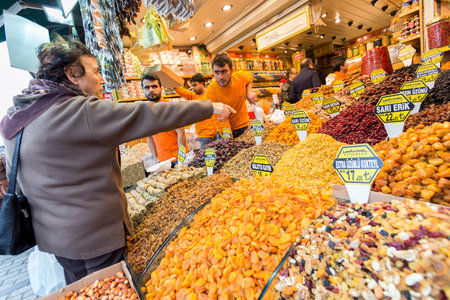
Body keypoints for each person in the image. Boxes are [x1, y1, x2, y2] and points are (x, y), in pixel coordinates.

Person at [0, 36, 235, 284]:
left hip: (56, 243)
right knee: (112, 289)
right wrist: (208, 107)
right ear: (71, 74)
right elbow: (146, 114)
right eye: (95, 71)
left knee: (82, 291)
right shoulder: (78, 110)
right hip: (96, 238)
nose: (102, 79)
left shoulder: (16, 117)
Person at [206, 52, 257, 139]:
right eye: (216, 72)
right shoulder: (211, 91)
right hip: (224, 128)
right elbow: (220, 120)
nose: (220, 77)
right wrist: (229, 141)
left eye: (224, 71)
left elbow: (249, 77)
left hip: (243, 125)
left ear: (232, 70)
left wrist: (249, 91)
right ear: (213, 72)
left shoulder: (240, 77)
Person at [143, 73, 188, 166]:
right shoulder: (146, 112)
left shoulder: (170, 108)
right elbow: (150, 138)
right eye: (147, 87)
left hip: (177, 159)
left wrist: (181, 159)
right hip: (162, 161)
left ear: (161, 89)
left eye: (154, 86)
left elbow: (181, 134)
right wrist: (156, 158)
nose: (151, 90)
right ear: (143, 90)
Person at [176, 73, 219, 148]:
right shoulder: (194, 97)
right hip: (202, 135)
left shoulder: (210, 95)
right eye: (192, 86)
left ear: (202, 83)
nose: (193, 88)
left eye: (195, 85)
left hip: (211, 135)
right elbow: (181, 91)